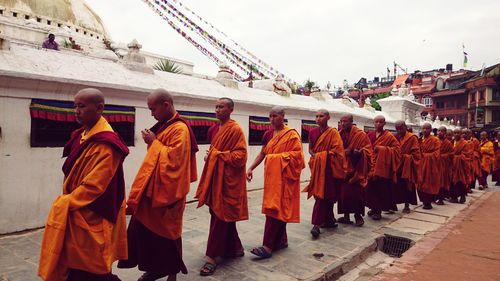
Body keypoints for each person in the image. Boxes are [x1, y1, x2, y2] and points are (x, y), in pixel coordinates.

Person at [38, 88, 129, 281]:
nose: (76, 111)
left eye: (81, 106)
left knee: (93, 268)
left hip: (92, 212)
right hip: (77, 210)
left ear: (99, 108)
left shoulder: (106, 143)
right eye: (75, 106)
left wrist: (65, 203)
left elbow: (94, 186)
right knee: (76, 265)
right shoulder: (84, 135)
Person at [118, 89, 198, 281]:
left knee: (168, 234)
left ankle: (172, 273)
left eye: (153, 109)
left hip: (169, 193)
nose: (152, 114)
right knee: (144, 231)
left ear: (166, 105)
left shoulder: (179, 129)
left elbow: (174, 162)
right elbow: (161, 155)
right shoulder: (165, 125)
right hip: (153, 189)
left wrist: (154, 143)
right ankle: (155, 268)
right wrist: (154, 143)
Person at [195, 98, 248, 276]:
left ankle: (212, 257)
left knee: (220, 216)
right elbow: (213, 150)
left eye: (221, 107)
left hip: (229, 181)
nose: (217, 110)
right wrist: (211, 156)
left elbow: (241, 156)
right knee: (221, 215)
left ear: (231, 109)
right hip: (214, 178)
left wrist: (218, 155)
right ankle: (236, 248)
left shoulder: (236, 129)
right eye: (216, 107)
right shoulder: (213, 129)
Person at [246, 106, 305, 259]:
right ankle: (281, 240)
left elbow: (298, 157)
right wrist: (251, 167)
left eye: (275, 116)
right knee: (274, 209)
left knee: (277, 210)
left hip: (285, 178)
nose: (272, 119)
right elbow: (263, 153)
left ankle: (268, 246)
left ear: (282, 116)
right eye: (270, 116)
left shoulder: (292, 135)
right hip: (272, 179)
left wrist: (278, 158)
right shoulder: (268, 134)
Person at [303, 109, 346, 238]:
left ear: (328, 117)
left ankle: (317, 224)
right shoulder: (312, 132)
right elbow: (310, 149)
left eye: (321, 116)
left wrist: (324, 156)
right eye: (316, 116)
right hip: (317, 166)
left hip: (329, 167)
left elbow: (338, 150)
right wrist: (316, 156)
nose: (318, 119)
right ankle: (328, 220)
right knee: (320, 194)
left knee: (325, 195)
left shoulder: (333, 133)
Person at [337, 114, 372, 226]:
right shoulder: (339, 134)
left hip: (356, 168)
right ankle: (346, 216)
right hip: (343, 168)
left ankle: (358, 216)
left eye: (345, 121)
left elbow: (368, 150)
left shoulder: (360, 134)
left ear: (352, 122)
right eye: (341, 121)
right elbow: (336, 148)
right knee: (343, 194)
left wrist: (357, 152)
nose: (342, 123)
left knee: (357, 194)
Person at [365, 115, 401, 220]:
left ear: (384, 124)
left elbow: (397, 150)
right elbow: (366, 147)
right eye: (376, 122)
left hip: (382, 167)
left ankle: (378, 210)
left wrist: (382, 149)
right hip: (370, 164)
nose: (378, 124)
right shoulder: (370, 135)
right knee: (370, 189)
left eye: (380, 122)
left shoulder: (389, 136)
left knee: (380, 189)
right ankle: (373, 208)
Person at [393, 120, 421, 213]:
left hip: (407, 166)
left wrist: (406, 157)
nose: (399, 131)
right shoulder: (396, 137)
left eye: (401, 129)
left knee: (407, 185)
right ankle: (392, 205)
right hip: (398, 165)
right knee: (395, 185)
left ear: (405, 127)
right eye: (397, 129)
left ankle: (407, 205)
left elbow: (416, 154)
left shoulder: (412, 138)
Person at [417, 123, 441, 210]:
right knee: (420, 182)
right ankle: (424, 201)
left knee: (429, 183)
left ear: (430, 130)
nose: (424, 130)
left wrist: (425, 156)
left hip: (430, 166)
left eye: (427, 129)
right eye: (423, 128)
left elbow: (437, 154)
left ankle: (428, 202)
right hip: (421, 165)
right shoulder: (420, 140)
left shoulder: (435, 140)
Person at [450, 128, 469, 204]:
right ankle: (454, 197)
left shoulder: (464, 143)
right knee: (452, 181)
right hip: (452, 165)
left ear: (461, 134)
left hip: (461, 166)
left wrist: (456, 157)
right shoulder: (451, 142)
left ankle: (462, 196)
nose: (456, 134)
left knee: (461, 181)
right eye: (455, 133)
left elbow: (467, 154)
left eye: (458, 133)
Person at [437, 126, 453, 205]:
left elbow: (451, 154)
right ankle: (435, 198)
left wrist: (443, 156)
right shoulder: (435, 141)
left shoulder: (448, 143)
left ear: (445, 133)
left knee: (442, 182)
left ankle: (441, 198)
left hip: (444, 165)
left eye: (442, 131)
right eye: (439, 131)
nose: (440, 132)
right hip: (435, 164)